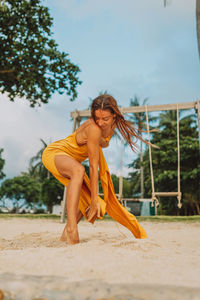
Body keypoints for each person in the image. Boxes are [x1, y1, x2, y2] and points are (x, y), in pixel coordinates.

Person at [42, 94, 148, 244]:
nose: (100, 122)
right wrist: (93, 201)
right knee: (79, 172)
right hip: (55, 154)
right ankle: (72, 227)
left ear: (114, 115)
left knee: (85, 198)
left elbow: (103, 144)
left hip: (70, 160)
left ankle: (66, 233)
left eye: (105, 119)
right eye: (97, 118)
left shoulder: (113, 125)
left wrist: (92, 200)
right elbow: (93, 166)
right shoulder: (94, 129)